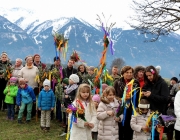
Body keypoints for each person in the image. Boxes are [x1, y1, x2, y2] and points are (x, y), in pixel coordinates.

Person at [142, 65, 169, 140]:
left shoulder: (162, 84)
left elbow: (165, 99)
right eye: (147, 76)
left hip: (158, 115)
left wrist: (151, 95)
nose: (149, 77)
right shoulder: (148, 83)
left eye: (150, 75)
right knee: (147, 134)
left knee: (155, 135)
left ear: (154, 73)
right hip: (148, 113)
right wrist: (143, 94)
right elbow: (144, 90)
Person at [113, 66, 140, 140]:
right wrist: (121, 99)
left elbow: (137, 96)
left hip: (131, 109)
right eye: (127, 72)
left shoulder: (135, 83)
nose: (129, 74)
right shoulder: (117, 82)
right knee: (120, 128)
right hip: (120, 108)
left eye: (131, 72)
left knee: (129, 128)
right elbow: (114, 94)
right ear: (123, 73)